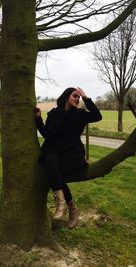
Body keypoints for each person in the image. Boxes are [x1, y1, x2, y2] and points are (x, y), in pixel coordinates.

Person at [34, 87, 102, 229]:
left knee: (58, 173)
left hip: (71, 151)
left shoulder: (81, 114)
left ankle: (71, 209)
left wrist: (86, 97)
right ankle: (63, 204)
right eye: (75, 96)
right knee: (50, 164)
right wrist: (38, 119)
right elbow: (47, 133)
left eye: (78, 97)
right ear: (66, 97)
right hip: (53, 147)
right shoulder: (54, 113)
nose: (77, 99)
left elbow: (97, 116)